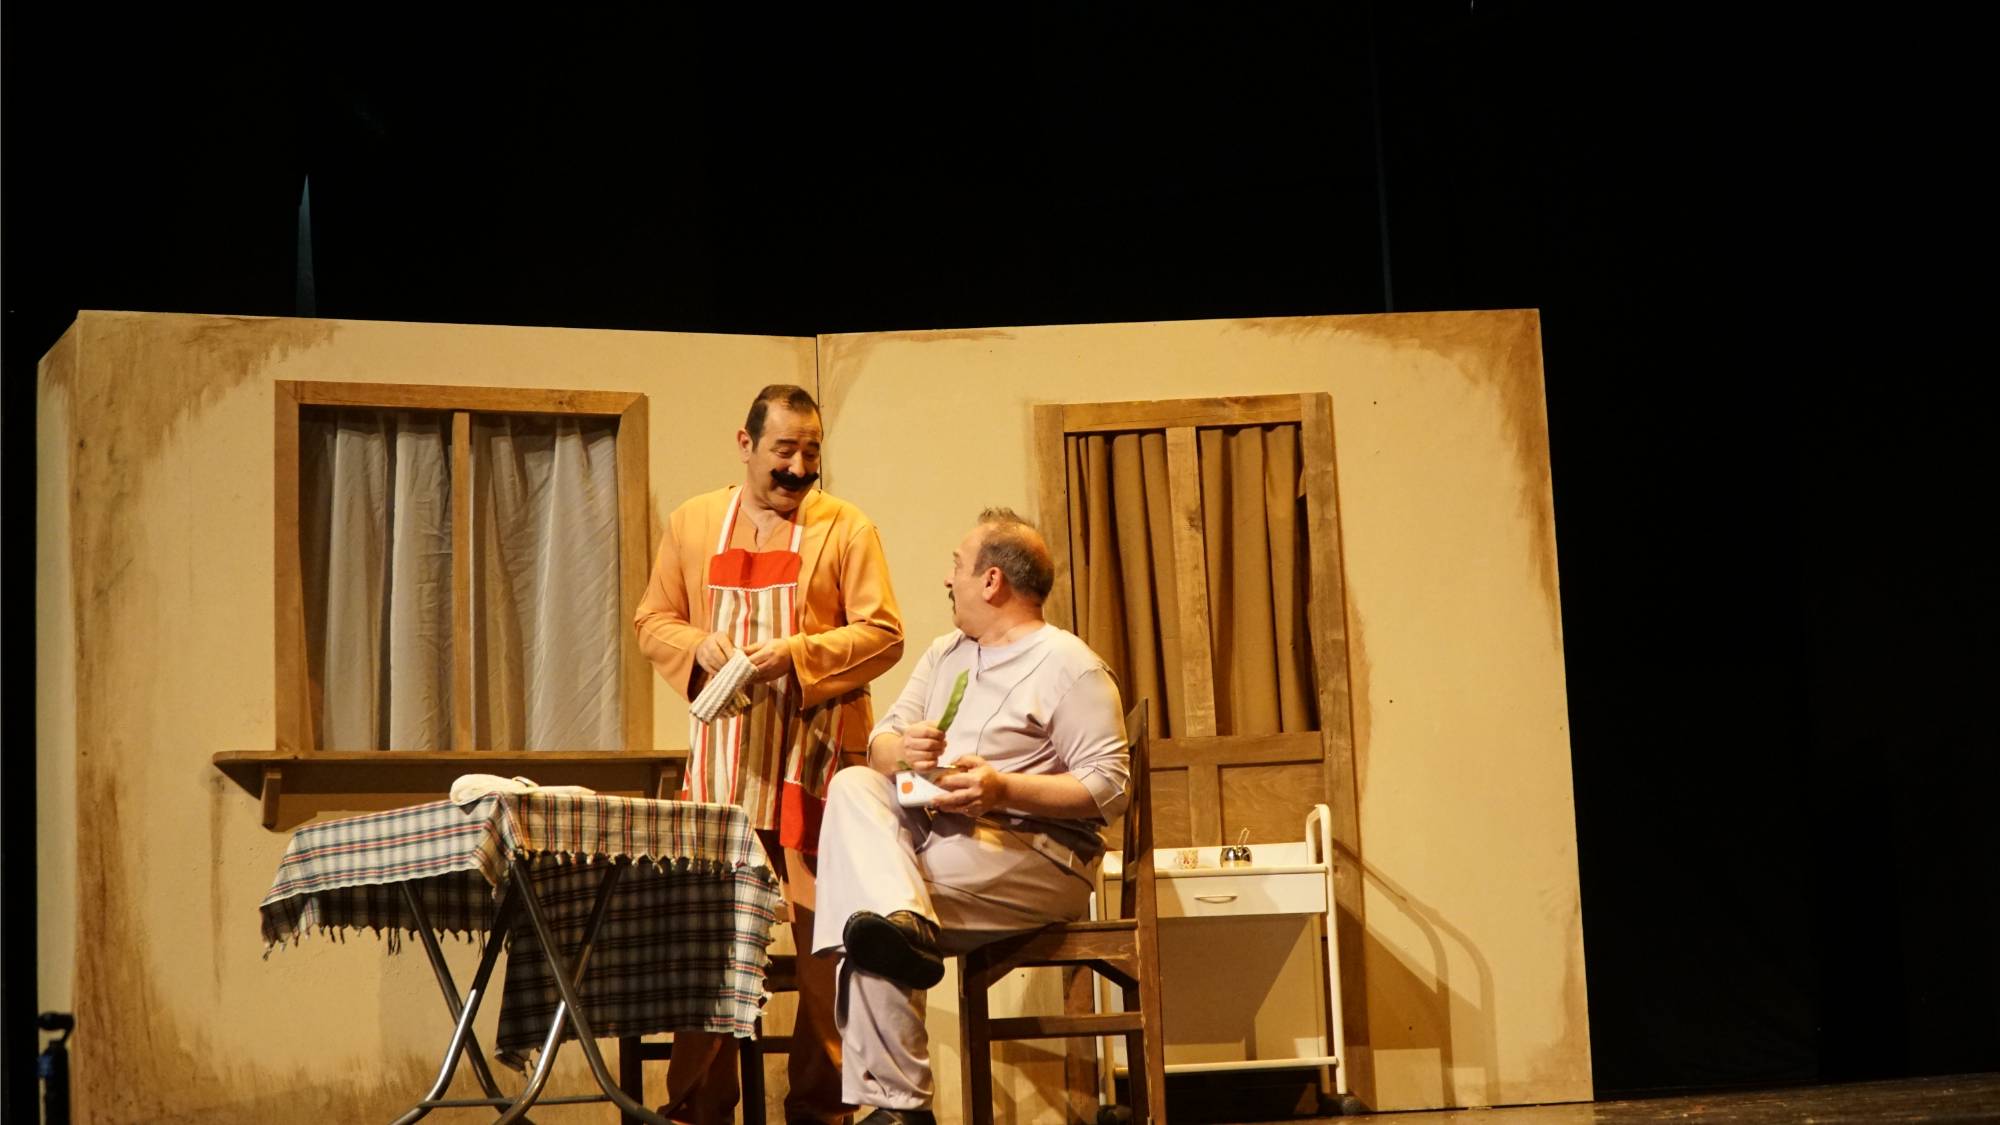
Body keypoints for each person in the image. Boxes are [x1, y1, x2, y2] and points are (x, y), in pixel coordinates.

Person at [635, 384, 904, 1125]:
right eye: (784, 450)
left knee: (826, 948)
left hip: (813, 768)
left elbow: (884, 633)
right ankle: (699, 1109)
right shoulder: (693, 522)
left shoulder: (846, 527)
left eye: (811, 451)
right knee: (712, 946)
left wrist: (796, 653)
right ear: (745, 443)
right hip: (724, 771)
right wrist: (699, 644)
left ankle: (821, 1109)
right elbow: (652, 619)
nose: (799, 467)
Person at [810, 509, 1130, 1125]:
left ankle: (900, 1110)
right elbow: (880, 746)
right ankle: (901, 931)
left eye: (957, 565)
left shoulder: (1070, 665)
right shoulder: (945, 654)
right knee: (853, 788)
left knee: (867, 912)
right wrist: (904, 751)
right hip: (940, 837)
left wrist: (1001, 788)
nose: (947, 579)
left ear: (991, 580)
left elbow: (1109, 787)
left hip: (1034, 855)